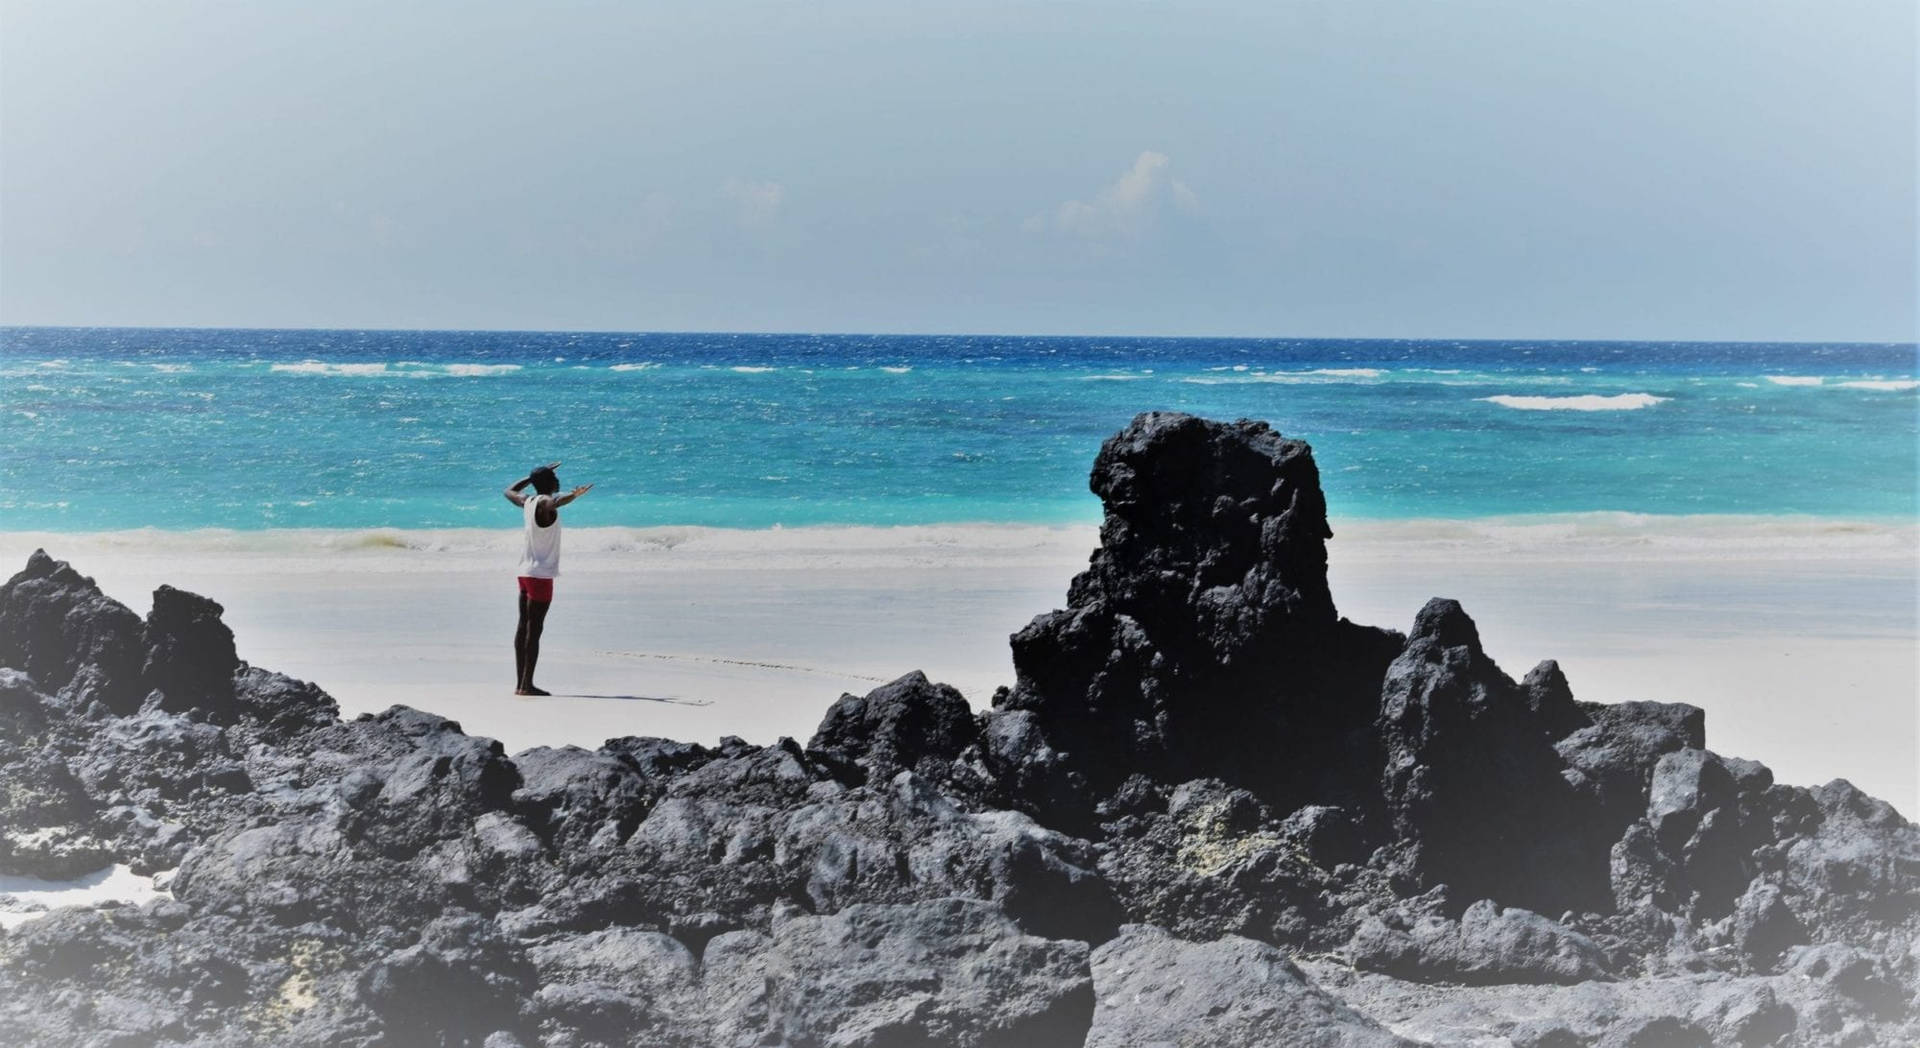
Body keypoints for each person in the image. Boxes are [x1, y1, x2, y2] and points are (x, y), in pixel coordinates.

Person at [503, 461, 592, 695]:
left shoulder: (527, 501)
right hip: (540, 576)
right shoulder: (542, 502)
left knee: (523, 627)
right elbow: (554, 501)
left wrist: (531, 478)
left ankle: (520, 684)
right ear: (549, 483)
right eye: (554, 478)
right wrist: (574, 495)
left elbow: (508, 491)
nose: (558, 480)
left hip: (524, 572)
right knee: (535, 630)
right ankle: (527, 685)